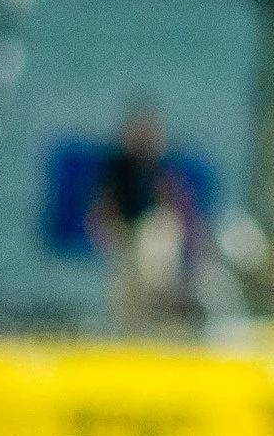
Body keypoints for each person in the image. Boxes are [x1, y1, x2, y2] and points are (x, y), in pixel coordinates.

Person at [85, 99, 202, 329]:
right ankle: (136, 322)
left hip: (153, 233)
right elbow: (102, 207)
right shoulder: (117, 168)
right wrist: (105, 229)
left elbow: (179, 209)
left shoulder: (163, 168)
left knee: (154, 246)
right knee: (131, 269)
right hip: (125, 232)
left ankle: (163, 314)